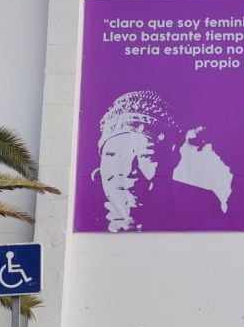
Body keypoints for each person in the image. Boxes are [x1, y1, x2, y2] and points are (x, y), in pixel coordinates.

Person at [93, 90, 226, 232]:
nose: (127, 171)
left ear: (172, 162)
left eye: (146, 156)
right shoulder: (79, 212)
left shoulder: (202, 206)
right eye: (112, 155)